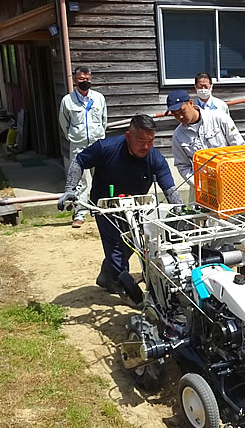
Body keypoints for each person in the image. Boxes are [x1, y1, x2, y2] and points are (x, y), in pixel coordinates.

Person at [57, 115, 182, 302]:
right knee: (115, 246)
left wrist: (179, 210)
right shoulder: (106, 148)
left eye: (150, 141)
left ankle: (108, 276)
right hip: (105, 206)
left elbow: (170, 189)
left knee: (134, 244)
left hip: (136, 206)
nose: (146, 147)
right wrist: (69, 189)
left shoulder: (155, 158)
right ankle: (127, 289)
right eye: (141, 141)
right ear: (128, 136)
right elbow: (79, 161)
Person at [167, 89, 245, 272]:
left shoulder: (218, 118)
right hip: (203, 192)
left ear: (191, 103)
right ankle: (213, 274)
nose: (179, 116)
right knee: (207, 234)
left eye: (181, 111)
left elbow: (239, 148)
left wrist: (231, 178)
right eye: (175, 114)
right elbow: (182, 166)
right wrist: (198, 184)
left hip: (232, 187)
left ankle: (244, 274)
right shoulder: (178, 136)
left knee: (239, 232)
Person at [58, 67, 107, 228]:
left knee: (101, 178)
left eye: (87, 78)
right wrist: (75, 137)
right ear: (75, 80)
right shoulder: (67, 101)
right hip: (79, 147)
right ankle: (80, 214)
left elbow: (103, 121)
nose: (84, 81)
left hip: (97, 145)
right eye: (81, 79)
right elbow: (64, 124)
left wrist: (98, 136)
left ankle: (100, 209)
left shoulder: (99, 98)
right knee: (80, 182)